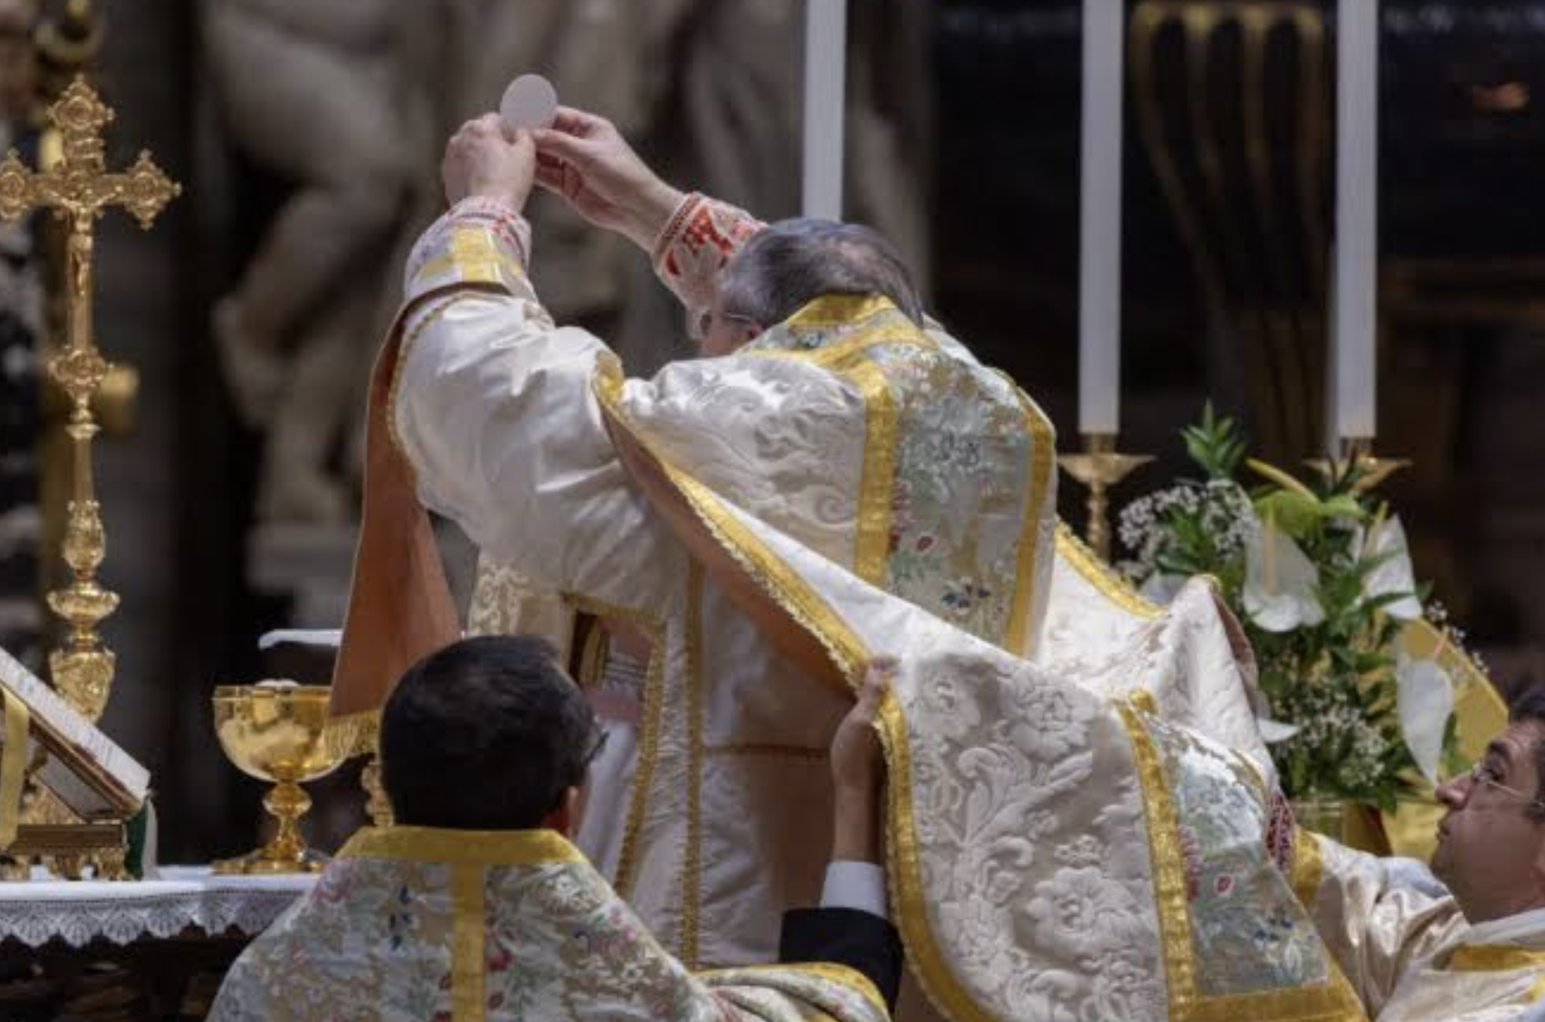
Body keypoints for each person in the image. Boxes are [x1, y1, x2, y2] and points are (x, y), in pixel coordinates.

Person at [331, 110, 1345, 1021]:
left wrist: (483, 217)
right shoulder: (976, 412)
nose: (703, 355)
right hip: (903, 904)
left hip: (713, 915)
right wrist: (666, 218)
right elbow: (840, 302)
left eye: (708, 329)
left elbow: (486, 402)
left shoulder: (715, 436)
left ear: (749, 338)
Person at [209, 637, 901, 1021]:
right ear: (568, 806)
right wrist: (853, 788)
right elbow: (842, 1006)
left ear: (388, 787)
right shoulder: (636, 999)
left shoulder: (270, 984)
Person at [1293, 687, 1545, 1021]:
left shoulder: (1527, 1008)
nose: (1449, 790)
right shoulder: (1465, 932)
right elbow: (1349, 909)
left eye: (1493, 775)